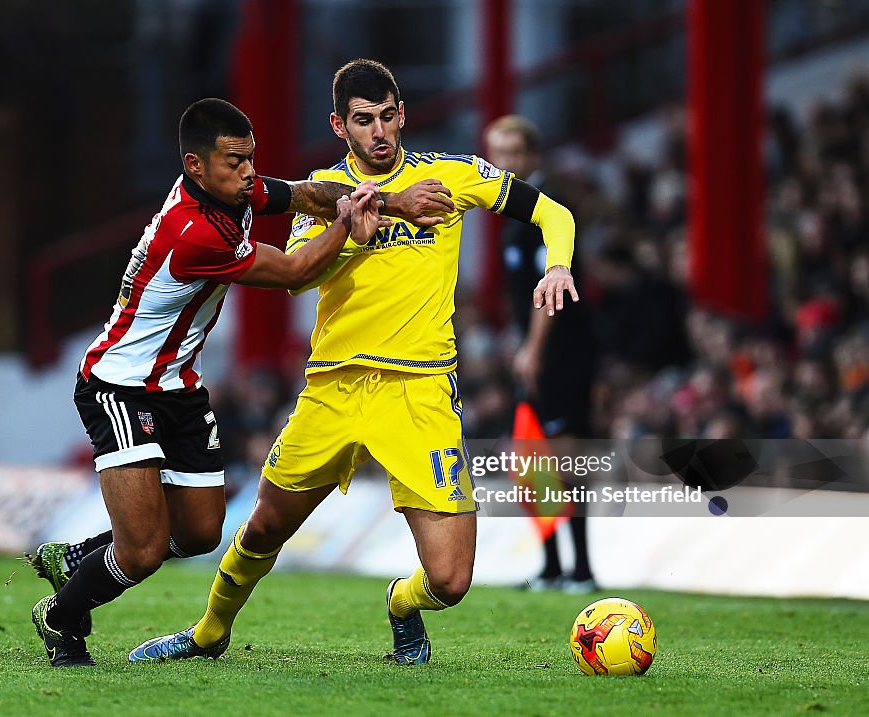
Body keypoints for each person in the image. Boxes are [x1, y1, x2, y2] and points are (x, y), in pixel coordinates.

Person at [127, 59, 579, 666]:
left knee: (449, 581)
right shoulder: (322, 193)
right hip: (333, 390)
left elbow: (555, 212)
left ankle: (401, 602)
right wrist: (352, 236)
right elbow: (295, 279)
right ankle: (208, 632)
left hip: (419, 394)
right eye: (363, 121)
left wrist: (557, 265)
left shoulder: (452, 176)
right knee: (263, 528)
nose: (379, 132)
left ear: (402, 115)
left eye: (388, 117)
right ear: (339, 126)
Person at [28, 97, 448, 668]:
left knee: (201, 535)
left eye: (251, 158)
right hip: (120, 386)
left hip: (178, 386)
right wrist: (354, 227)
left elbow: (306, 193)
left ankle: (83, 557)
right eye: (234, 162)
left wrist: (388, 199)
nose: (249, 172)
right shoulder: (195, 232)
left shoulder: (233, 188)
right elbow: (296, 271)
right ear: (196, 167)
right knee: (146, 551)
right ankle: (62, 620)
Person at [483, 115, 597, 593]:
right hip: (537, 352)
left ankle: (583, 570)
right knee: (533, 462)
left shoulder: (549, 212)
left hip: (563, 355)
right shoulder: (516, 219)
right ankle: (552, 566)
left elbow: (551, 288)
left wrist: (532, 349)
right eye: (497, 152)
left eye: (513, 153)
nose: (504, 163)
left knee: (565, 460)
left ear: (532, 156)